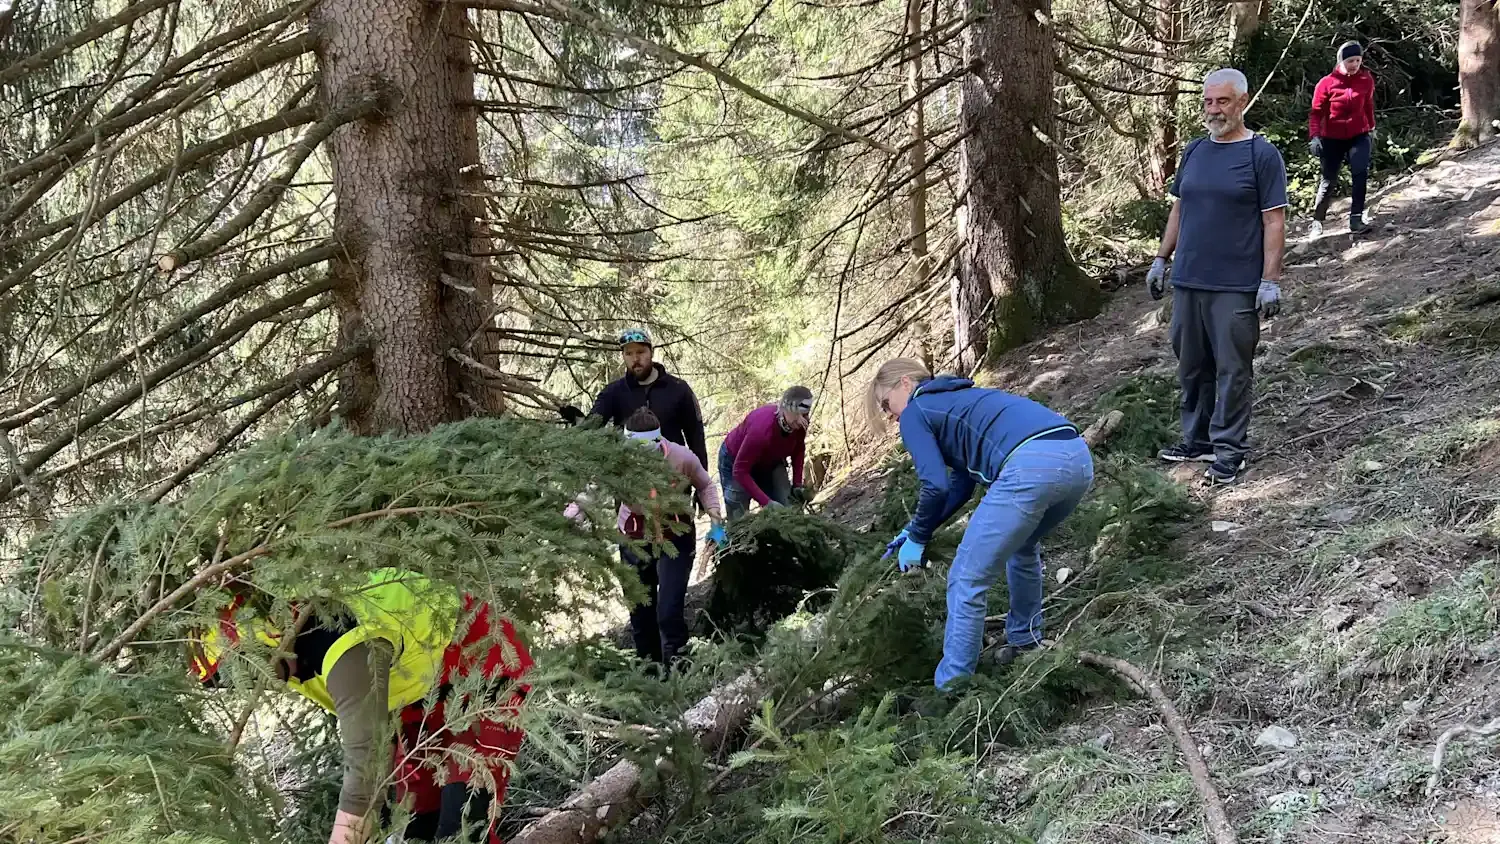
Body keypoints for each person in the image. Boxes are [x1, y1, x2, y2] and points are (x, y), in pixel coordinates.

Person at [189, 568, 532, 844]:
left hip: (483, 670)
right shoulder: (293, 657)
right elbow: (373, 735)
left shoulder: (340, 646)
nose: (244, 687)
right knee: (415, 825)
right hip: (415, 705)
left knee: (461, 826)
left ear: (261, 642)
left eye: (238, 673)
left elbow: (366, 772)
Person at [866, 359, 1093, 691]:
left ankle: (952, 687)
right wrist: (917, 529)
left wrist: (917, 537)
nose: (889, 414)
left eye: (886, 403)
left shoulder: (916, 411)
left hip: (1030, 467)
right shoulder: (956, 399)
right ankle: (1025, 642)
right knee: (1023, 547)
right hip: (1077, 459)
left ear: (904, 384)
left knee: (967, 577)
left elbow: (934, 485)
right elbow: (960, 485)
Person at [1145, 67, 1288, 485]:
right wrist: (1160, 259)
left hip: (1235, 284)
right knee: (1191, 365)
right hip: (1188, 279)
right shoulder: (1193, 151)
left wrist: (1270, 280)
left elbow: (1274, 221)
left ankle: (1229, 450)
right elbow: (1179, 208)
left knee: (1231, 368)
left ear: (1241, 102)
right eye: (1208, 101)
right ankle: (1199, 439)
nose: (1213, 110)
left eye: (1222, 101)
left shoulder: (1261, 155)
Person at [567, 407, 727, 668]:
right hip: (633, 537)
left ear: (658, 441)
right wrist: (571, 517)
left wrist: (716, 520)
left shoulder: (681, 457)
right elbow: (591, 491)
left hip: (675, 535)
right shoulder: (617, 460)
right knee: (641, 612)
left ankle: (678, 669)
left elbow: (705, 485)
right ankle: (649, 673)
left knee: (668, 610)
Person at [588, 328, 709, 470]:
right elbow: (591, 427)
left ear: (651, 352)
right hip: (630, 479)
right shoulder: (613, 392)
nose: (635, 359)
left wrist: (700, 480)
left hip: (674, 477)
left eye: (640, 352)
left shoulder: (678, 389)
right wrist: (575, 419)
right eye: (629, 354)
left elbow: (696, 436)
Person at [1308, 41, 1376, 236]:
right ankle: (1317, 220)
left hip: (1359, 134)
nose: (1354, 64)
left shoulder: (1366, 80)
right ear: (1341, 61)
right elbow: (1316, 113)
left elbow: (1368, 105)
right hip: (1332, 137)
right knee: (1329, 179)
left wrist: (1371, 127)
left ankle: (1356, 219)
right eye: (1350, 61)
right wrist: (1314, 137)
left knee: (1360, 173)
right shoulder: (1326, 83)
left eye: (1357, 60)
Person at [719, 386, 813, 519]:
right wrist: (767, 502)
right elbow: (740, 471)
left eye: (806, 415)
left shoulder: (799, 426)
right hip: (735, 461)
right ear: (787, 410)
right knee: (739, 519)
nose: (804, 420)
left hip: (770, 460)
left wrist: (797, 484)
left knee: (788, 509)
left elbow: (798, 449)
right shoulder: (761, 431)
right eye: (801, 415)